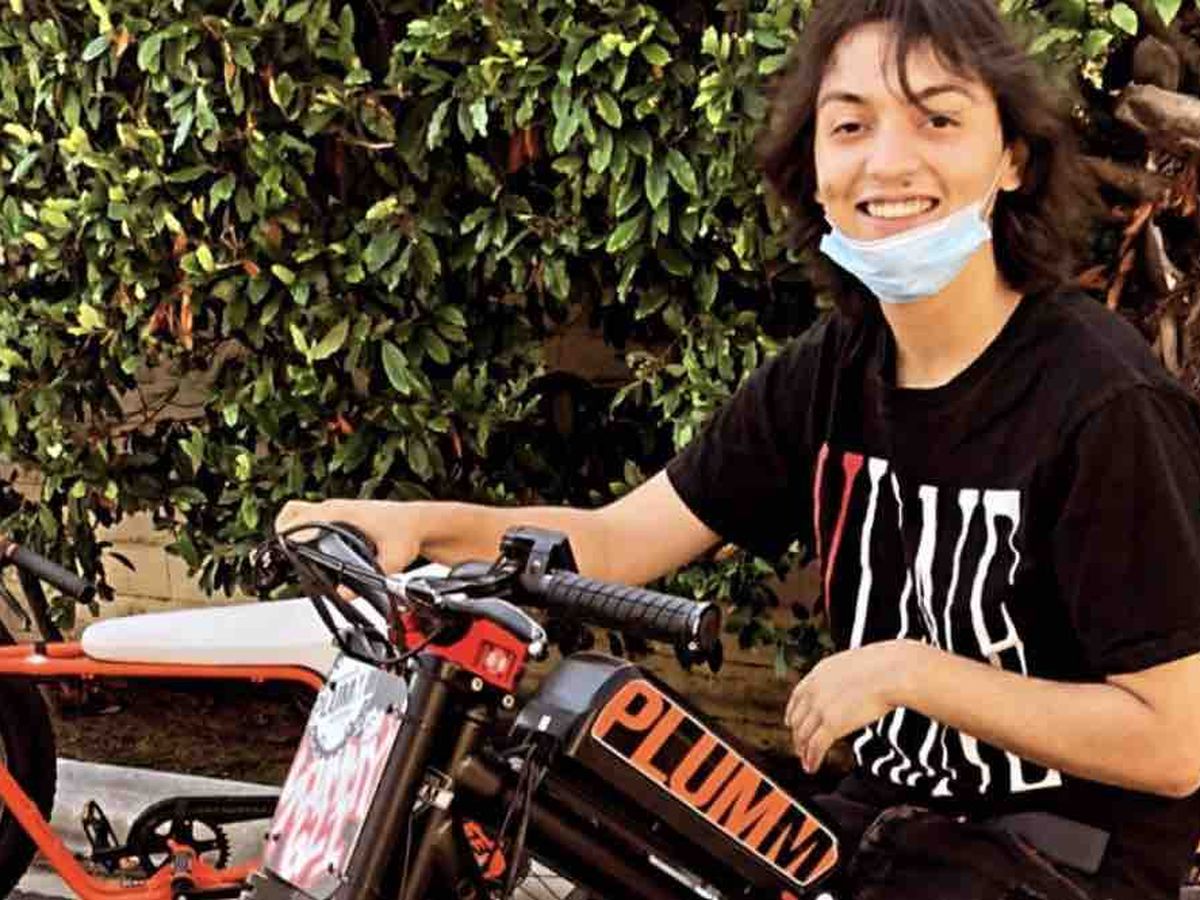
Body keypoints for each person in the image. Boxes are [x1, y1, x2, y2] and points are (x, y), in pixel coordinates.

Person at [276, 1, 1200, 896]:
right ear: (814, 168)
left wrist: (913, 672)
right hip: (886, 830)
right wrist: (417, 526)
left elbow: (1175, 743)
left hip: (1061, 859)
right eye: (850, 126)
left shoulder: (1103, 404)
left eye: (938, 119)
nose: (888, 160)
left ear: (1013, 159)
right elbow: (619, 543)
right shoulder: (837, 369)